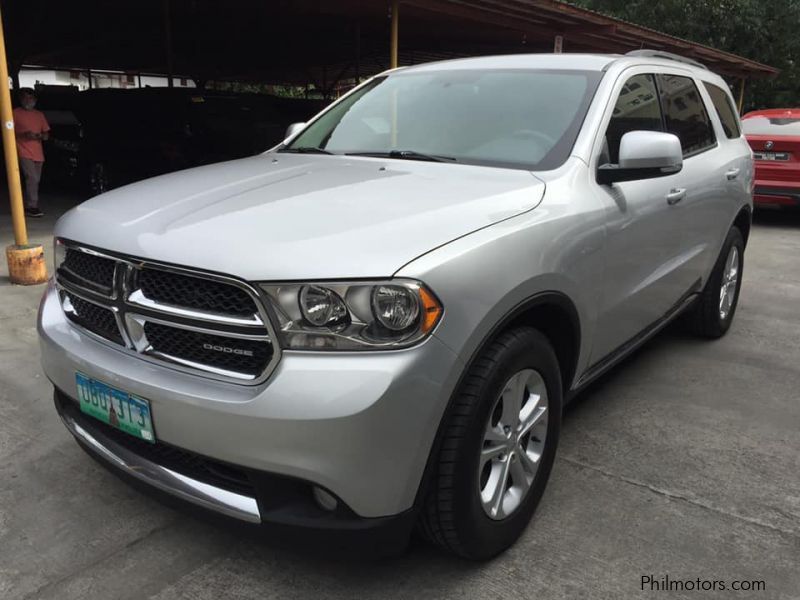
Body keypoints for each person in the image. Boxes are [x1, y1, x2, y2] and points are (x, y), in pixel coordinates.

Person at [13, 88, 50, 218]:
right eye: (25, 98)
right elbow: (8, 131)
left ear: (35, 100)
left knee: (35, 179)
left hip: (37, 152)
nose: (28, 101)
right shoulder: (15, 113)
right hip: (22, 149)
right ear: (21, 99)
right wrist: (23, 134)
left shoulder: (39, 115)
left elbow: (46, 133)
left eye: (31, 98)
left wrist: (41, 136)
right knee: (32, 178)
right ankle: (32, 206)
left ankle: (30, 205)